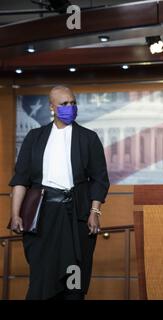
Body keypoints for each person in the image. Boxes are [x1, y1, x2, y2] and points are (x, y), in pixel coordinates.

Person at [9, 86, 110, 300]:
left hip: (77, 217)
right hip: (42, 217)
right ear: (52, 107)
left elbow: (100, 179)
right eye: (64, 104)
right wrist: (16, 214)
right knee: (42, 278)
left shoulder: (88, 138)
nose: (70, 107)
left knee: (74, 277)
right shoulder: (34, 137)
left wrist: (95, 212)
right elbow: (21, 179)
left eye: (73, 103)